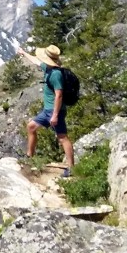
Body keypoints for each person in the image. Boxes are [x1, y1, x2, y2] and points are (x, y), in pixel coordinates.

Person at [22, 44, 75, 176]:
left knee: (62, 137)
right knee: (31, 127)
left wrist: (55, 115)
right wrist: (23, 53)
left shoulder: (55, 74)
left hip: (54, 111)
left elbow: (59, 95)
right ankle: (30, 157)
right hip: (48, 110)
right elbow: (36, 60)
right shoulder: (48, 68)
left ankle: (71, 167)